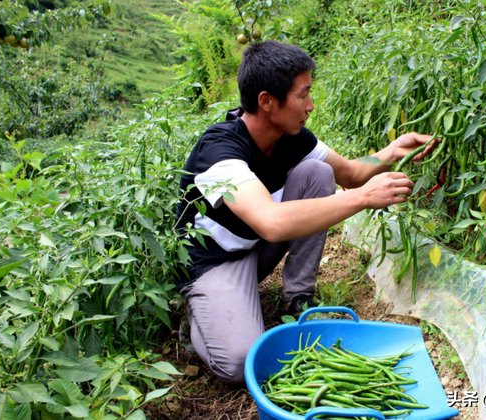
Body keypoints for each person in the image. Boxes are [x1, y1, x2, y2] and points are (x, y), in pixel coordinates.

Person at [174, 40, 438, 386]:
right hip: (211, 263)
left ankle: (296, 298)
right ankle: (199, 312)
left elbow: (351, 173)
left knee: (317, 174)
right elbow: (271, 222)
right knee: (240, 365)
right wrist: (362, 199)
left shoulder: (293, 137)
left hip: (252, 248)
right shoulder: (220, 152)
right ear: (266, 101)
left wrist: (391, 151)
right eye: (303, 95)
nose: (310, 105)